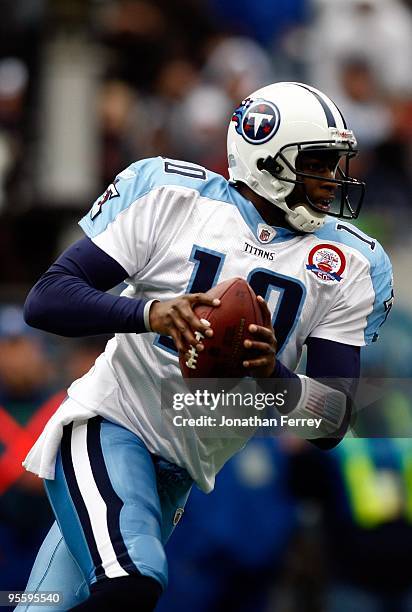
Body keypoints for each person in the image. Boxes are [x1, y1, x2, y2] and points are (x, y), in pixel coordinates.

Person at [19, 82, 392, 611]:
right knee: (132, 579)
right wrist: (150, 313)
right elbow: (47, 299)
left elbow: (333, 420)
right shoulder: (171, 197)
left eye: (337, 165)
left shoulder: (351, 263)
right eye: (319, 162)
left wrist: (272, 377)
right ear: (268, 156)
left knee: (47, 605)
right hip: (109, 424)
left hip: (182, 470)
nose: (333, 179)